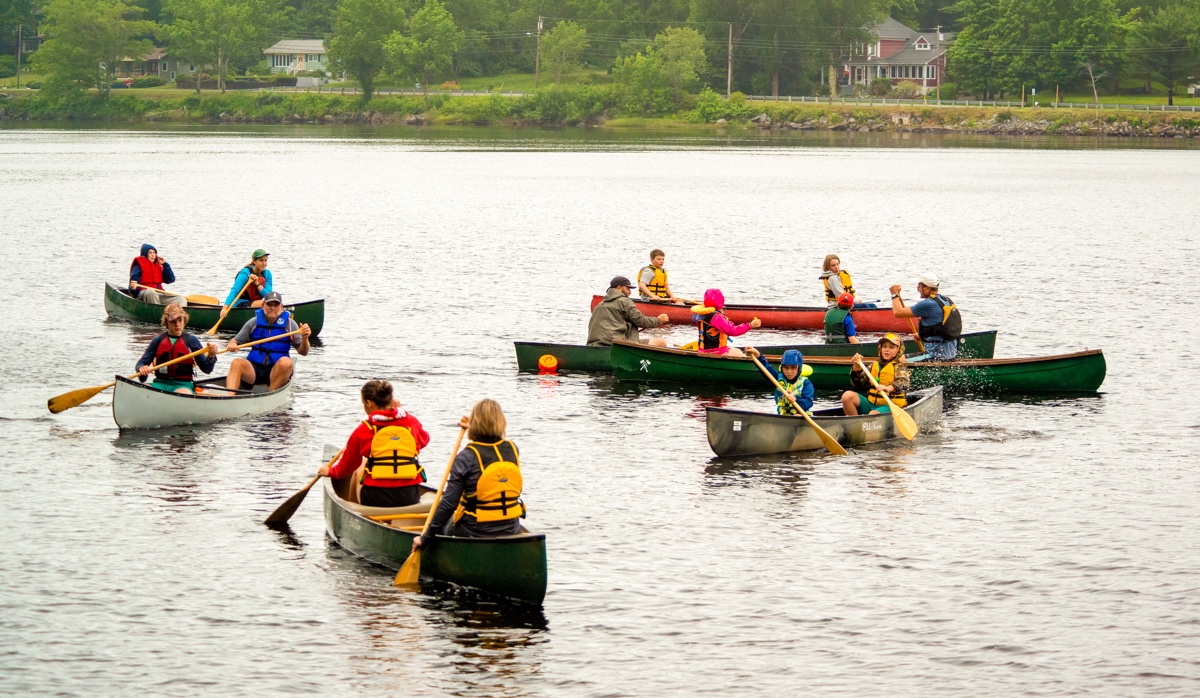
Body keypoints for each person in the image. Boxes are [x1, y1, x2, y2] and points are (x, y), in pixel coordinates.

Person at [412, 399, 525, 552]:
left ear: (476, 424)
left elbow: (449, 504)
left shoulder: (466, 457)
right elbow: (492, 446)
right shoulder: (512, 449)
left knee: (445, 522)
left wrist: (424, 537)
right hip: (511, 528)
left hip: (475, 532)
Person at [319, 380, 431, 508]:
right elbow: (424, 440)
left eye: (363, 404)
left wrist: (330, 471)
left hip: (376, 497)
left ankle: (356, 513)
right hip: (410, 495)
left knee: (360, 467)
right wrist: (402, 413)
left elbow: (347, 467)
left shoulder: (364, 429)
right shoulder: (410, 422)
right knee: (365, 464)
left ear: (369, 403)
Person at [224, 291, 311, 391]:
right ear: (263, 305)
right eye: (269, 304)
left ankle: (270, 394)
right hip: (254, 369)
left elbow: (303, 352)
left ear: (281, 306)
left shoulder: (290, 325)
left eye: (276, 305)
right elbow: (235, 341)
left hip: (276, 370)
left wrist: (305, 338)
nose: (272, 308)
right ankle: (229, 396)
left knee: (286, 363)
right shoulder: (253, 322)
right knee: (236, 363)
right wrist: (232, 344)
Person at [135, 304, 218, 394]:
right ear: (166, 322)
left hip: (183, 385)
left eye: (180, 320)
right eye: (173, 321)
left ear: (184, 319)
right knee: (142, 389)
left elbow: (207, 369)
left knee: (183, 393)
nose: (177, 324)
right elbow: (141, 363)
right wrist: (141, 368)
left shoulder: (192, 341)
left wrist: (211, 356)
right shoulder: (157, 341)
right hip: (160, 384)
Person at [889, 273, 962, 360]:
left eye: (919, 286)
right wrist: (921, 336)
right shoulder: (946, 300)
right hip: (950, 353)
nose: (918, 289)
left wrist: (894, 294)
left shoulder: (928, 304)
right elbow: (940, 327)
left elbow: (898, 312)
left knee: (897, 360)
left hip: (935, 355)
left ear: (927, 288)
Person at [586, 276, 670, 346]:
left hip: (595, 345)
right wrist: (658, 320)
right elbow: (641, 321)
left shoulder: (599, 305)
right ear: (619, 288)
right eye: (628, 288)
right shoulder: (624, 301)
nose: (630, 292)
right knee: (660, 343)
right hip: (616, 344)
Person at [841, 333, 910, 416]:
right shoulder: (873, 365)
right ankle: (854, 424)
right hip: (871, 403)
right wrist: (857, 368)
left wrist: (887, 388)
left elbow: (903, 383)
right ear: (880, 349)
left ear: (898, 350)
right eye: (884, 346)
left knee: (873, 414)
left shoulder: (899, 367)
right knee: (847, 396)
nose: (887, 350)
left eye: (892, 347)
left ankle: (867, 423)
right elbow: (858, 384)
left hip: (890, 405)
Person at [693, 288, 760, 357]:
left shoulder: (698, 314)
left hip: (702, 350)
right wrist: (750, 325)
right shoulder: (717, 317)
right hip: (715, 352)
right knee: (743, 356)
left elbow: (694, 318)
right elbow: (733, 330)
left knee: (738, 350)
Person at [745, 348, 814, 415]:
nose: (789, 372)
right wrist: (758, 356)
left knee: (797, 415)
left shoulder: (806, 383)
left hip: (800, 415)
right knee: (758, 412)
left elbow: (808, 402)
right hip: (783, 415)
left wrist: (796, 399)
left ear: (798, 368)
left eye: (793, 367)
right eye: (786, 368)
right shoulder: (777, 379)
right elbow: (766, 369)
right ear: (782, 368)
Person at [220, 249, 273, 318]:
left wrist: (257, 284)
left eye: (265, 260)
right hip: (239, 304)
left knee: (272, 303)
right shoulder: (245, 273)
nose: (264, 263)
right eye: (261, 260)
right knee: (264, 304)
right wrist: (224, 308)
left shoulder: (267, 274)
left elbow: (268, 296)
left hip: (254, 303)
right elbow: (234, 291)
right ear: (254, 261)